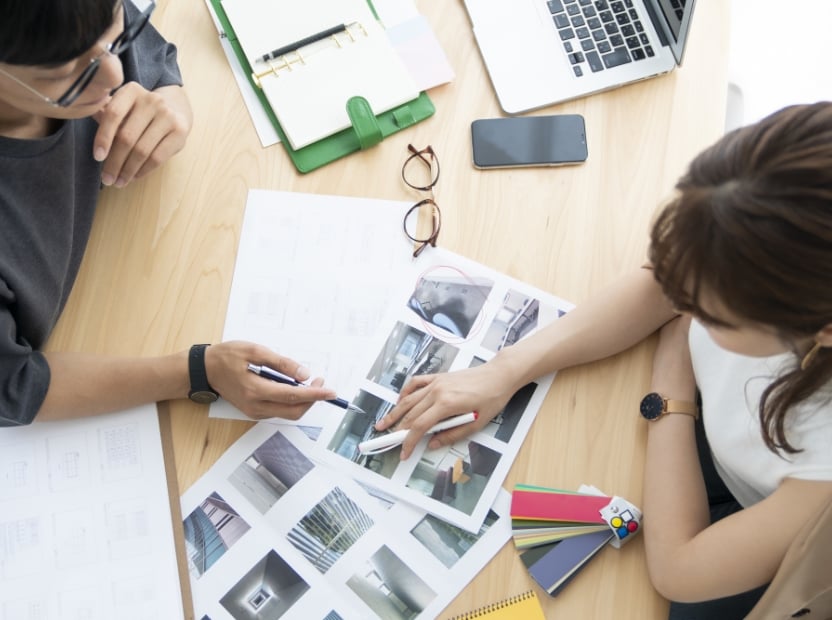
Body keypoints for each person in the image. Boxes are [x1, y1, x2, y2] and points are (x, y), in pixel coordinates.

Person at [378, 102, 832, 617]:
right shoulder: (788, 200)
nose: (683, 303)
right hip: (712, 439)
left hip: (732, 524)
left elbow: (679, 570)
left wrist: (671, 390)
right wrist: (506, 368)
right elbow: (663, 286)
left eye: (711, 313)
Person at [0, 0, 335, 426]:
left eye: (115, 38)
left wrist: (170, 102)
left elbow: (153, 59)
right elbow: (13, 386)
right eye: (70, 73)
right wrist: (197, 371)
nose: (116, 75)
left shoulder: (74, 21)